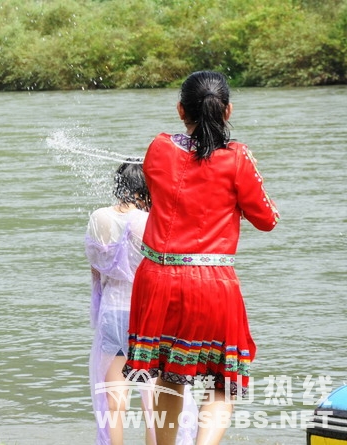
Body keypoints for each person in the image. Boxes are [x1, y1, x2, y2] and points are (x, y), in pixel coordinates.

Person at [123, 71, 279, 445]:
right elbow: (267, 220)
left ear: (181, 110)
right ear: (228, 111)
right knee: (223, 382)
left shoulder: (159, 147)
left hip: (158, 280)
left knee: (169, 377)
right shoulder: (237, 157)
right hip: (213, 284)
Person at [86, 160, 155, 445]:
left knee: (114, 396)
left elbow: (95, 270)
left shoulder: (98, 217)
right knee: (153, 396)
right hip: (146, 313)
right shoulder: (149, 220)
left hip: (112, 311)